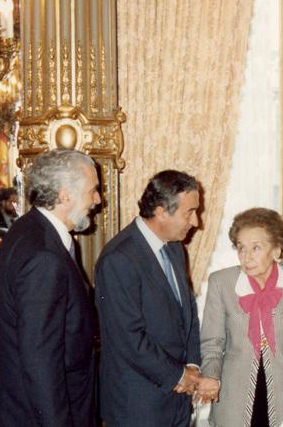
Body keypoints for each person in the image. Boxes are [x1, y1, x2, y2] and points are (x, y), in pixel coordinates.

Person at [0, 149, 101, 427]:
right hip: (37, 414)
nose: (97, 200)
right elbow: (41, 360)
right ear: (64, 195)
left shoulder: (28, 230)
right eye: (93, 190)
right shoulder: (43, 256)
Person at [95, 170, 204, 427]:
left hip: (178, 400)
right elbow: (129, 338)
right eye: (189, 212)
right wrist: (178, 375)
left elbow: (187, 314)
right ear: (161, 211)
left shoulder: (175, 248)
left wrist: (192, 366)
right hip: (138, 406)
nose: (196, 221)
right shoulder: (118, 259)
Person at [199, 208, 283, 427]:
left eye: (256, 248)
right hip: (234, 399)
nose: (246, 257)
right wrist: (210, 376)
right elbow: (212, 342)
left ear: (277, 250)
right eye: (241, 248)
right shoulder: (222, 283)